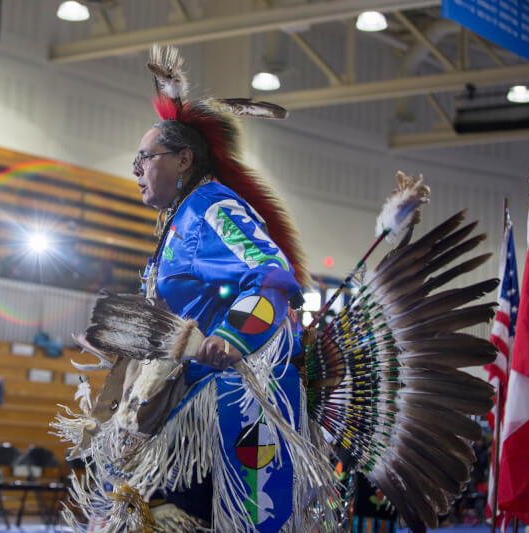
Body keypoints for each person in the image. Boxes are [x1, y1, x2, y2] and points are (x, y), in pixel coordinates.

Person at [55, 46, 314, 532]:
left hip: (219, 408)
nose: (135, 170)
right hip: (178, 405)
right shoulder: (178, 223)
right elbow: (182, 310)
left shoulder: (211, 209)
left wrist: (233, 337)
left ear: (183, 160)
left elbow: (272, 274)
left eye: (144, 158)